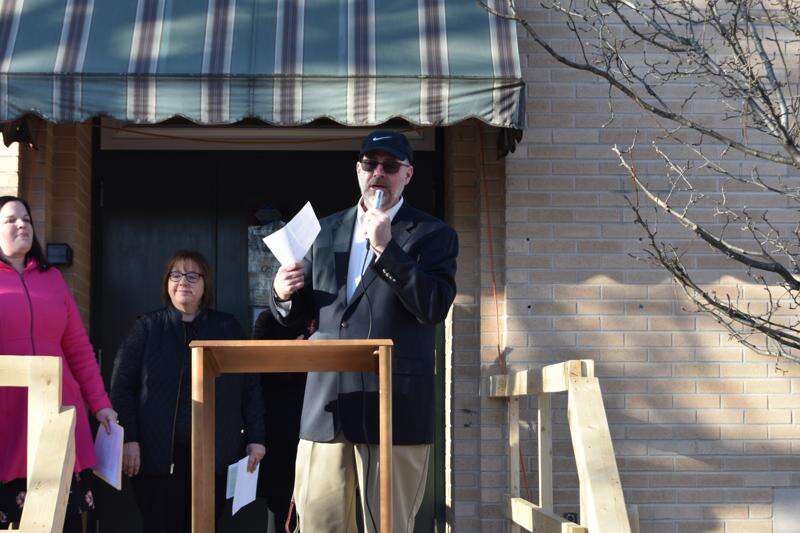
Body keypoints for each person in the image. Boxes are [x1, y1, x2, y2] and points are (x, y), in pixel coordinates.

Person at [270, 130, 458, 533]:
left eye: (390, 166)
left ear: (407, 174)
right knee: (321, 525)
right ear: (357, 171)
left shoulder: (434, 235)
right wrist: (282, 293)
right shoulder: (324, 230)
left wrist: (387, 250)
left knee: (388, 526)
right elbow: (300, 315)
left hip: (396, 408)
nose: (378, 174)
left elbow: (433, 307)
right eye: (369, 164)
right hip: (328, 407)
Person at [110, 250, 266, 533]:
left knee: (205, 526)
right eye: (176, 274)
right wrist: (128, 438)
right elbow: (121, 387)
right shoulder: (146, 327)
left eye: (193, 275)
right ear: (166, 283)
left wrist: (256, 439)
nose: (184, 281)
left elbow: (250, 386)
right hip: (156, 457)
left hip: (214, 453)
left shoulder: (227, 328)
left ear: (206, 285)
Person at [0, 195, 118, 531]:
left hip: (58, 410)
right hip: (7, 414)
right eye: (10, 220)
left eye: (26, 219)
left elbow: (79, 348)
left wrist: (101, 405)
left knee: (61, 518)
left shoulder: (52, 279)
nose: (22, 224)